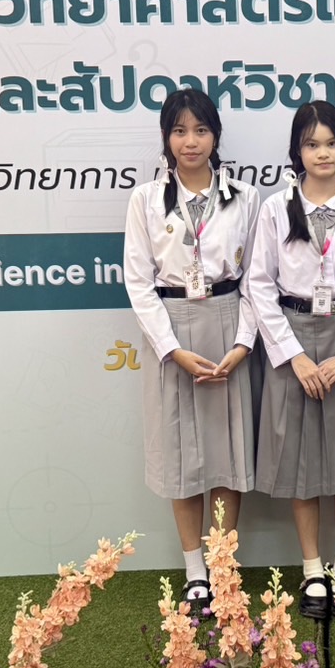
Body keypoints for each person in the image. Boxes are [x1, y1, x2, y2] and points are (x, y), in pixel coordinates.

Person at [246, 102, 335, 619]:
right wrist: (294, 358)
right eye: (311, 144)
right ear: (297, 152)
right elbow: (259, 285)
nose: (322, 153)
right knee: (300, 460)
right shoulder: (275, 208)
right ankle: (311, 569)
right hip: (294, 336)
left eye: (331, 143)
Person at [123, 88, 260, 614]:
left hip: (228, 321)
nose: (191, 141)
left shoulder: (244, 197)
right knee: (181, 456)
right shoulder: (145, 200)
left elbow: (258, 279)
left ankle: (224, 567)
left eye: (201, 130)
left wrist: (243, 342)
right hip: (172, 328)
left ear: (216, 136)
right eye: (179, 131)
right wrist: (172, 349)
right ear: (166, 138)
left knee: (226, 455)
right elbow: (139, 284)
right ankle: (195, 571)